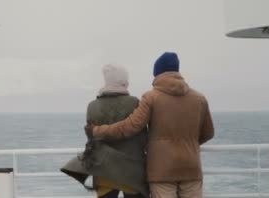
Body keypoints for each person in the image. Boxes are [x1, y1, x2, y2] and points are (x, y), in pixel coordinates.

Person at [86, 52, 214, 198]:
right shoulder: (199, 99)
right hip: (191, 167)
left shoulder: (151, 98)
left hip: (162, 170)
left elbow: (130, 127)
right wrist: (188, 143)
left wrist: (97, 131)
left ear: (157, 73)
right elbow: (208, 133)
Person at [61, 63, 149, 198]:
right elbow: (143, 137)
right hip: (132, 173)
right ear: (123, 82)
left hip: (104, 172)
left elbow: (91, 139)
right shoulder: (135, 103)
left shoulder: (92, 106)